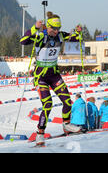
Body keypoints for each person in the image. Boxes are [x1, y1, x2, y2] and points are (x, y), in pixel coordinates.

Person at [20, 11, 84, 146]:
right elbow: (23, 41)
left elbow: (74, 37)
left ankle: (66, 124)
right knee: (47, 104)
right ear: (47, 27)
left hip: (54, 74)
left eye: (58, 28)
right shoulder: (40, 36)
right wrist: (34, 28)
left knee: (67, 100)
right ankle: (40, 134)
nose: (56, 31)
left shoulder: (60, 35)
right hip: (41, 76)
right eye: (54, 28)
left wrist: (78, 31)